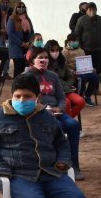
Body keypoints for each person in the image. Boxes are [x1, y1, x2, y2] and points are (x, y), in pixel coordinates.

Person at [22, 48, 83, 179]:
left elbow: (61, 97)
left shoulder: (53, 76)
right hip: (38, 114)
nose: (43, 60)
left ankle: (73, 165)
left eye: (46, 58)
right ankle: (54, 165)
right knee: (57, 127)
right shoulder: (26, 77)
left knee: (73, 125)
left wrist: (60, 108)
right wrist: (42, 109)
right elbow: (25, 100)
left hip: (56, 112)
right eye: (40, 58)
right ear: (32, 60)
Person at [45, 39, 87, 120]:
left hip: (66, 89)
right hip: (53, 91)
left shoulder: (62, 61)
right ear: (47, 51)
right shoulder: (45, 63)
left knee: (81, 101)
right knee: (66, 103)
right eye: (52, 50)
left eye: (57, 50)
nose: (55, 52)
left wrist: (67, 84)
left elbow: (70, 76)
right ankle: (68, 122)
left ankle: (68, 121)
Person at [73, 2, 101, 76]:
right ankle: (87, 80)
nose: (92, 12)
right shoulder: (81, 20)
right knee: (86, 68)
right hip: (85, 49)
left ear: (96, 10)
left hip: (98, 48)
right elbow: (77, 34)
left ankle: (97, 79)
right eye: (90, 10)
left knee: (98, 66)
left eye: (94, 10)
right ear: (86, 11)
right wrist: (78, 48)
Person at [64, 34, 100, 104]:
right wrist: (71, 71)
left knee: (95, 77)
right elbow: (64, 66)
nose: (76, 42)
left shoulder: (81, 51)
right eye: (74, 41)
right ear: (69, 42)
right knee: (82, 78)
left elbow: (85, 62)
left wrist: (91, 68)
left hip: (83, 70)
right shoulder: (65, 52)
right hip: (73, 72)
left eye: (77, 41)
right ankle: (79, 97)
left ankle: (87, 96)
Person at [7, 1, 33, 77]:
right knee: (18, 68)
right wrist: (22, 43)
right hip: (16, 48)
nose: (21, 8)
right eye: (19, 7)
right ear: (16, 8)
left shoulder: (27, 19)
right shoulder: (12, 18)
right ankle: (17, 83)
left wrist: (29, 42)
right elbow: (10, 33)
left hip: (27, 47)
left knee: (26, 69)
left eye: (23, 7)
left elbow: (32, 32)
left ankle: (24, 83)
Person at [0, 0, 13, 76]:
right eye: (3, 2)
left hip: (8, 36)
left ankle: (5, 72)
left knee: (7, 54)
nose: (5, 4)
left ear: (9, 3)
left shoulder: (12, 11)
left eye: (7, 3)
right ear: (1, 3)